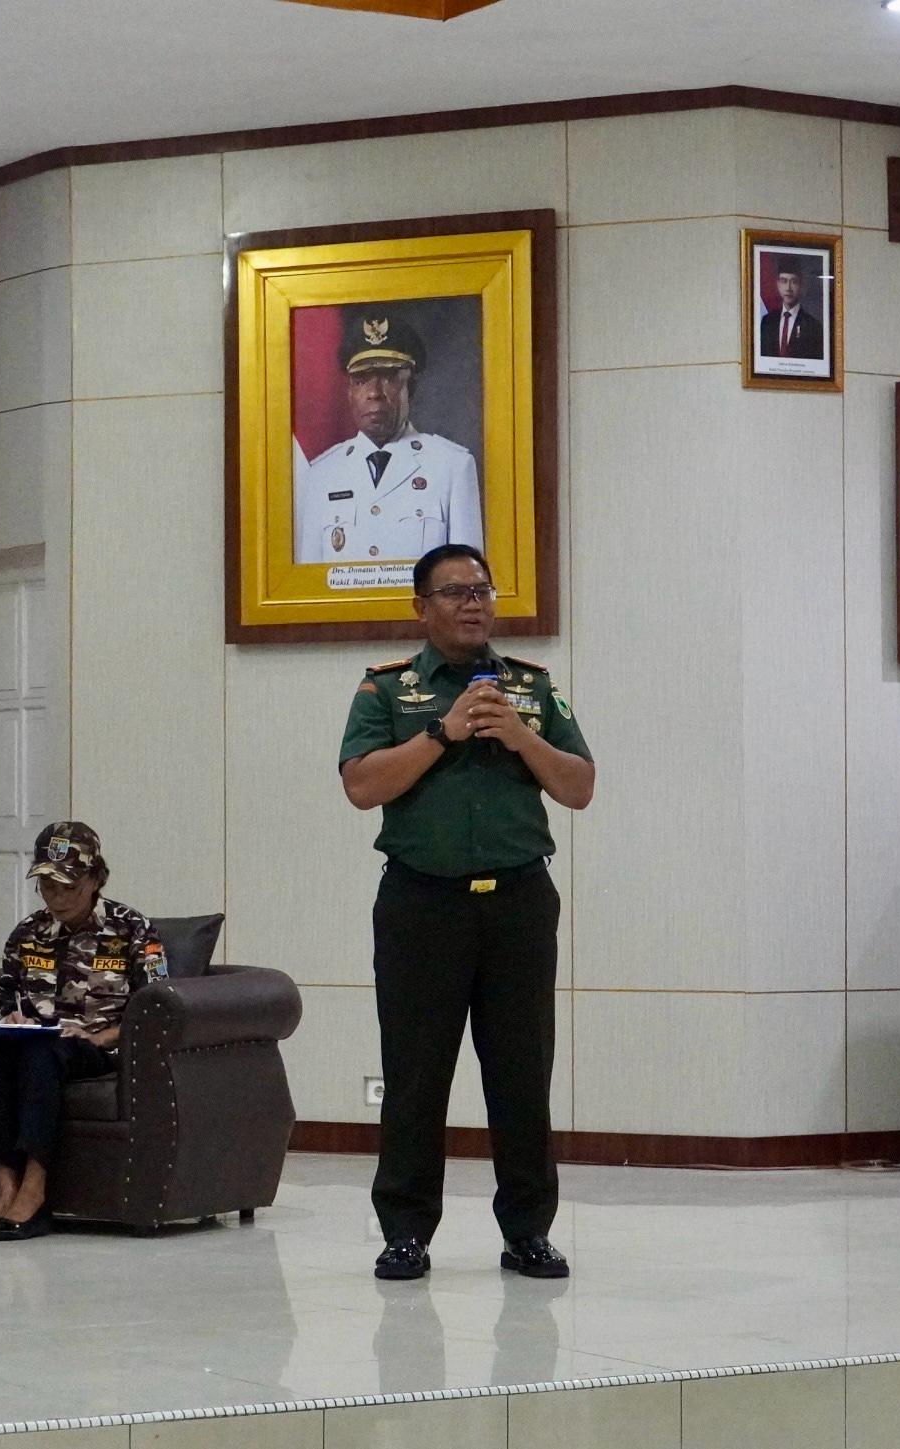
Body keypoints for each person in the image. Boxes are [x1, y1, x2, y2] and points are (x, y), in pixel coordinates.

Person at [338, 544, 595, 1283]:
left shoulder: (531, 687)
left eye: (481, 589)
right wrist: (443, 731)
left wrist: (521, 736)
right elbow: (361, 787)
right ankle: (406, 1232)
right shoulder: (386, 689)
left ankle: (528, 1231)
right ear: (421, 608)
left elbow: (579, 787)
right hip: (422, 903)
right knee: (415, 1074)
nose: (472, 603)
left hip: (518, 902)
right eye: (453, 592)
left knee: (522, 1072)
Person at [0, 822, 168, 1242]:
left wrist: (103, 1037)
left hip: (96, 1047)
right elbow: (6, 993)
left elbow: (159, 1005)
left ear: (96, 878)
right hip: (34, 1041)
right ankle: (5, 1189)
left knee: (44, 1054)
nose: (57, 898)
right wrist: (10, 1019)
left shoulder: (133, 929)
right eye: (48, 887)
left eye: (69, 887)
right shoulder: (28, 932)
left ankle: (34, 1191)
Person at [294, 309, 483, 566]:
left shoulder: (452, 467)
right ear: (349, 393)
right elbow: (310, 584)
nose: (374, 393)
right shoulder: (322, 474)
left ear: (410, 388)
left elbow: (465, 579)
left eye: (388, 378)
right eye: (361, 380)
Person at [759, 261, 823, 361]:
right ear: (778, 284)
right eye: (784, 281)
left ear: (801, 286)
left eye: (794, 282)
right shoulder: (767, 321)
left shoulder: (813, 326)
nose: (788, 288)